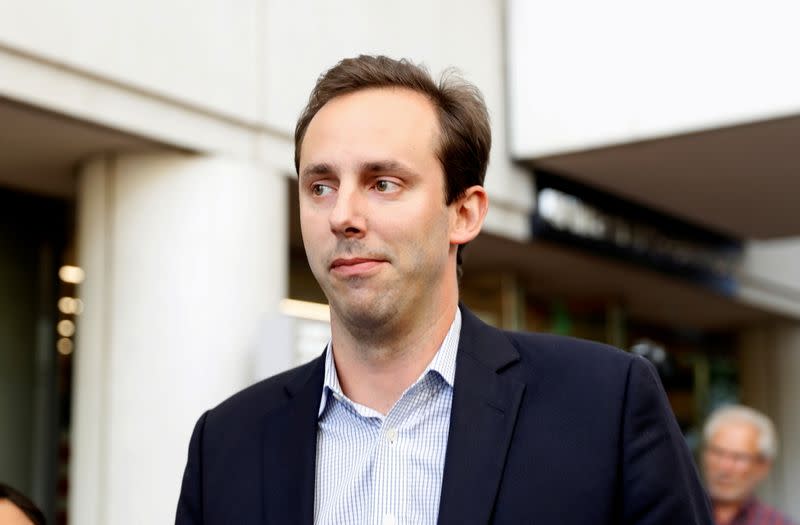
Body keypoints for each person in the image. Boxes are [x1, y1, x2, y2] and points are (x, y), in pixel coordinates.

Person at [176, 55, 712, 524]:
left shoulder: (604, 405)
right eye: (321, 186)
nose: (342, 216)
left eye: (383, 183)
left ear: (464, 212)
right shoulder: (226, 444)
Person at [702, 405, 797, 525]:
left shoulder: (776, 523)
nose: (725, 467)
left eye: (738, 457)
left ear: (762, 466)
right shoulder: (678, 515)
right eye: (717, 453)